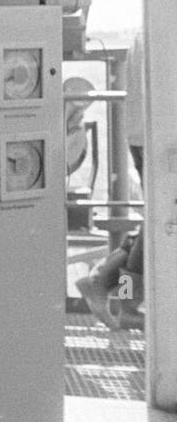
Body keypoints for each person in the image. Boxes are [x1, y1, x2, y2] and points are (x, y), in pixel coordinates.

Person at [75, 30, 145, 329]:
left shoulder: (153, 19)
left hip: (145, 130)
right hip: (161, 133)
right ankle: (124, 299)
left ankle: (105, 281)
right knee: (161, 223)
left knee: (156, 222)